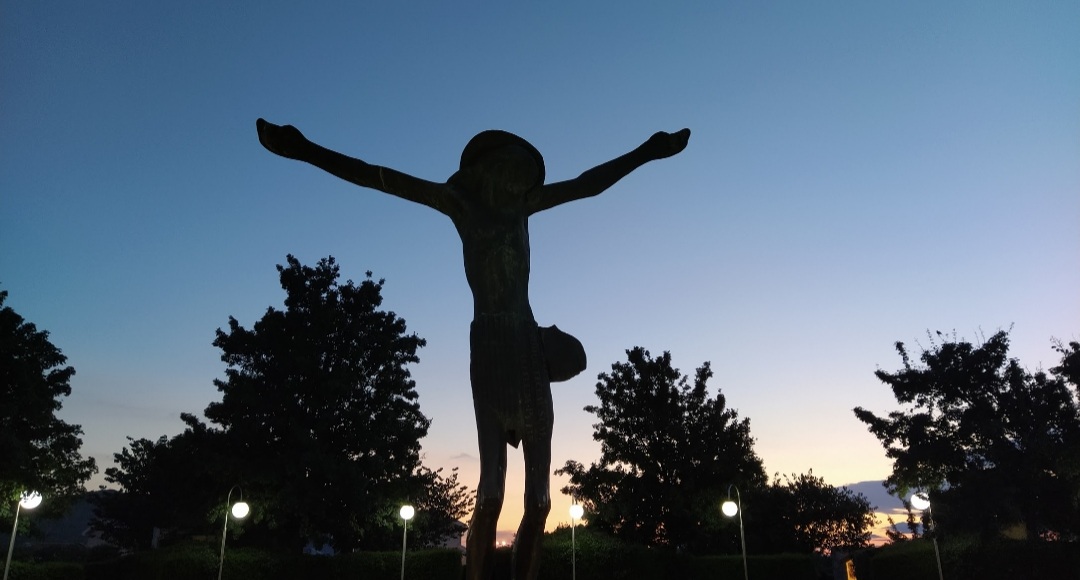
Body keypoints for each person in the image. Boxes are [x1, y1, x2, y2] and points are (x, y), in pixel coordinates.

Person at [256, 119, 689, 579]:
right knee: (490, 493)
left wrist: (647, 151)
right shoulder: (459, 203)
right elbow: (377, 176)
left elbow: (588, 184)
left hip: (527, 346)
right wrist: (306, 149)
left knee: (540, 501)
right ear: (490, 166)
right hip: (489, 348)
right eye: (515, 165)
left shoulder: (524, 206)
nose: (523, 175)